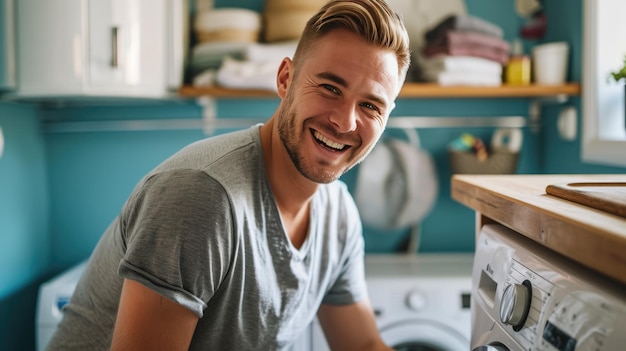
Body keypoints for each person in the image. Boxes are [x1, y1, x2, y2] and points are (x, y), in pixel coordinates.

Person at [47, 0, 411, 349]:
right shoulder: (201, 196)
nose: (345, 121)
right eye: (330, 88)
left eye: (370, 105)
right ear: (286, 79)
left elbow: (361, 345)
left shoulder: (338, 215)